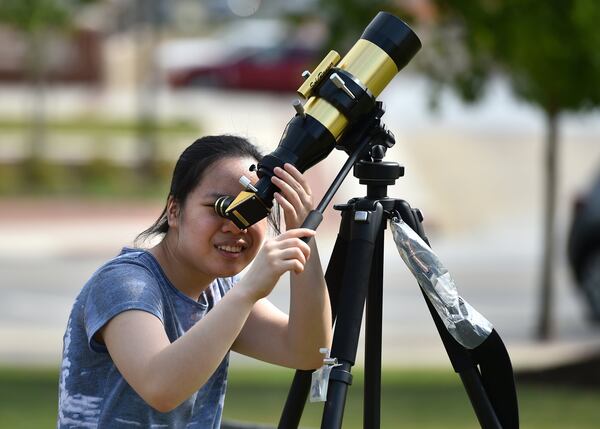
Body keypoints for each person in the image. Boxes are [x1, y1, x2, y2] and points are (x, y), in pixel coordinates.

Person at [57, 135, 332, 428]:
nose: (235, 225)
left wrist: (304, 234)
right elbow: (160, 387)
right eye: (219, 207)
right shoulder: (124, 283)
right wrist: (248, 291)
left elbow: (309, 351)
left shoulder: (222, 293)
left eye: (252, 208)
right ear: (174, 211)